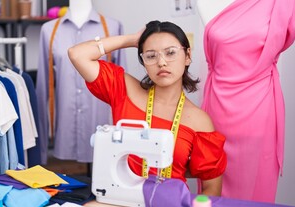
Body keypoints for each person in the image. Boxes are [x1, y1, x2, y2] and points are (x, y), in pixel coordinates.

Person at [68, 20, 227, 196]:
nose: (162, 62)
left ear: (188, 55)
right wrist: (131, 40)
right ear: (143, 62)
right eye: (151, 56)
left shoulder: (200, 121)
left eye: (171, 53)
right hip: (120, 202)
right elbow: (77, 54)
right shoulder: (123, 90)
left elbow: (211, 188)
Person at [197, 0, 295, 202]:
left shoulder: (283, 3)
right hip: (218, 108)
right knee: (214, 185)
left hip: (259, 108)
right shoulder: (206, 2)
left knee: (256, 188)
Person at [36, 0, 126, 168]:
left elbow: (122, 89)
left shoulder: (113, 27)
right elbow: (42, 90)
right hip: (65, 128)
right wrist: (40, 153)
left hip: (102, 126)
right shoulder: (49, 30)